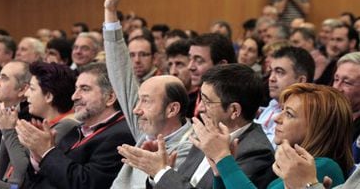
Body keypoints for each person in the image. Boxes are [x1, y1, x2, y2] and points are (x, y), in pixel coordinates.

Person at [118, 64, 276, 189]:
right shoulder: (206, 134)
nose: (199, 107)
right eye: (200, 99)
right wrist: (160, 174)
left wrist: (161, 172)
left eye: (207, 101)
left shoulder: (256, 152)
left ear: (234, 110)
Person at [103, 0, 193, 188]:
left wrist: (158, 171)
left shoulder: (191, 146)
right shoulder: (148, 128)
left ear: (172, 109)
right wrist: (110, 13)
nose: (136, 109)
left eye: (146, 101)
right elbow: (121, 75)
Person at [197, 83, 353, 189]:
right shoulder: (291, 163)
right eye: (282, 110)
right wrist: (220, 173)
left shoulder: (323, 167)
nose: (276, 118)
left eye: (289, 114)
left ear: (318, 127)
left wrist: (223, 158)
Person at [16, 63, 135, 189]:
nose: (74, 96)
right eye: (76, 89)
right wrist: (37, 154)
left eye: (84, 89)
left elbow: (86, 184)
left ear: (110, 97)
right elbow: (38, 178)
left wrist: (46, 151)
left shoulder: (121, 136)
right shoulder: (76, 131)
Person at [255, 46, 315, 149]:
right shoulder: (274, 104)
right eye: (271, 72)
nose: (271, 78)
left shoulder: (304, 118)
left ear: (301, 81)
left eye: (279, 72)